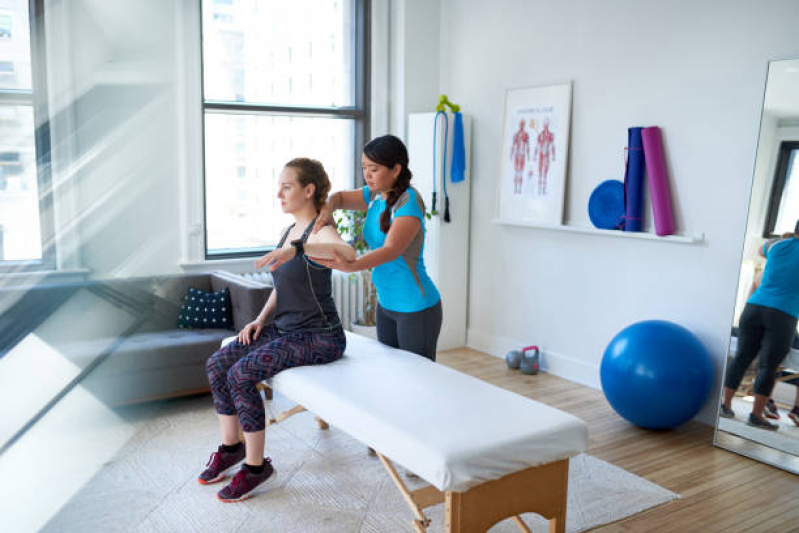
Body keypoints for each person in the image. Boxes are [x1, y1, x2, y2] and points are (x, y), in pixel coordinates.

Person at [200, 158, 355, 503]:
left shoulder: (318, 228)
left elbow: (347, 251)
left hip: (321, 335)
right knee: (217, 364)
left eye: (286, 186)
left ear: (308, 190)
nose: (278, 194)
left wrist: (298, 248)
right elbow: (281, 286)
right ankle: (231, 448)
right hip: (285, 328)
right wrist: (259, 319)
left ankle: (256, 468)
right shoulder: (289, 231)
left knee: (241, 374)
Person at [310, 134, 443, 361]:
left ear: (396, 169)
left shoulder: (408, 200)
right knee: (390, 376)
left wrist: (350, 266)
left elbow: (392, 249)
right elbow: (339, 198)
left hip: (415, 308)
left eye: (374, 169)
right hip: (386, 304)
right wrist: (328, 209)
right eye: (364, 168)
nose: (367, 175)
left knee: (418, 382)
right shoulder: (375, 195)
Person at [721, 220, 799, 431]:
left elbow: (760, 249)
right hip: (783, 314)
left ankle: (725, 405)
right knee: (768, 366)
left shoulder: (776, 245)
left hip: (754, 307)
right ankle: (756, 415)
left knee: (742, 358)